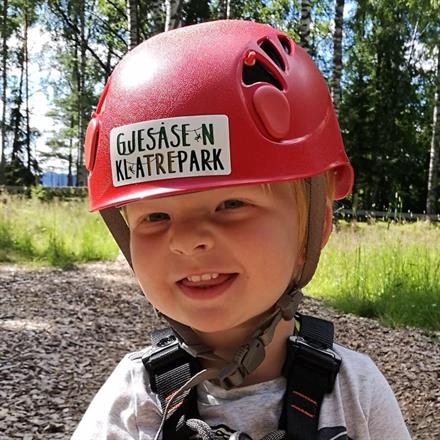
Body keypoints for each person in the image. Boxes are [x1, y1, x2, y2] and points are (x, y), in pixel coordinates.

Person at [72, 20, 411, 440]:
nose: (186, 240)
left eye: (231, 204)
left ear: (317, 222)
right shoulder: (133, 401)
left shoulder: (354, 391)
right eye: (155, 217)